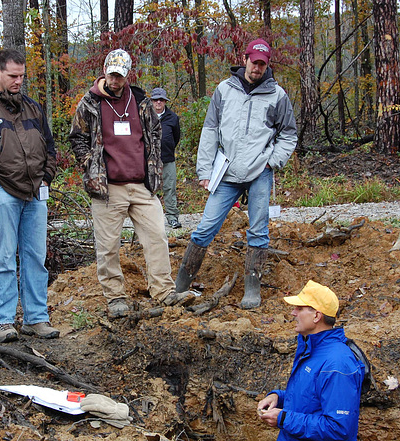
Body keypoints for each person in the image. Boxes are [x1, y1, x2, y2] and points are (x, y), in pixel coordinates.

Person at [69, 49, 194, 318]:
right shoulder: (89, 102)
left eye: (120, 75)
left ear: (127, 75)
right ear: (104, 70)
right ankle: (115, 296)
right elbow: (76, 138)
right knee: (108, 245)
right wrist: (90, 164)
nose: (115, 80)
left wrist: (155, 166)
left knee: (157, 236)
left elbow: (156, 133)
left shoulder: (140, 101)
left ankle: (163, 291)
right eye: (112, 74)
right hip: (107, 187)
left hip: (142, 185)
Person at [176, 38, 297, 309]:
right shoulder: (224, 90)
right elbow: (209, 131)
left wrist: (272, 161)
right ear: (244, 59)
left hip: (259, 172)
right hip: (226, 173)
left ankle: (252, 288)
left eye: (262, 64)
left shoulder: (277, 95)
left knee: (258, 231)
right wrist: (204, 170)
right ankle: (181, 285)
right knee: (205, 228)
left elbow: (288, 135)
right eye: (254, 62)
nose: (257, 68)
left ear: (267, 66)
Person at [0, 49, 59, 343]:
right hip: (2, 192)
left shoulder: (32, 107)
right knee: (4, 257)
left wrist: (47, 177)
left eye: (22, 76)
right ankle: (4, 321)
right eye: (13, 76)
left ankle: (36, 318)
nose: (19, 81)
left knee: (35, 257)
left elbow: (50, 148)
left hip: (35, 194)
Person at [257, 280, 364, 441]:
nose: (293, 313)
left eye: (299, 308)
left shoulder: (337, 364)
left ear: (316, 316)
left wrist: (284, 418)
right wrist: (277, 397)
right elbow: (311, 398)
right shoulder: (312, 350)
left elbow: (336, 426)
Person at [150, 87, 181, 229]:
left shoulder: (173, 118)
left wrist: (167, 148)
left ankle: (172, 217)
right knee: (149, 189)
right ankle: (149, 219)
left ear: (165, 101)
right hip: (149, 160)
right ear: (152, 101)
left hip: (168, 159)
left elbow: (176, 137)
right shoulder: (145, 116)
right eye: (155, 99)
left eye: (161, 100)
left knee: (170, 188)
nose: (158, 102)